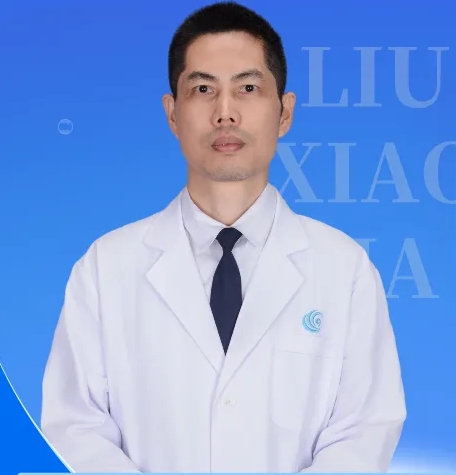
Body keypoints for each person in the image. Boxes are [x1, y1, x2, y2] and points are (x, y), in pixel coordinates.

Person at [41, 1, 406, 472]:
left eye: (248, 88)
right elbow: (75, 429)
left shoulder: (343, 269)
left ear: (285, 112)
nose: (225, 113)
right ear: (172, 113)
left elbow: (363, 433)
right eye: (203, 89)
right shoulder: (105, 268)